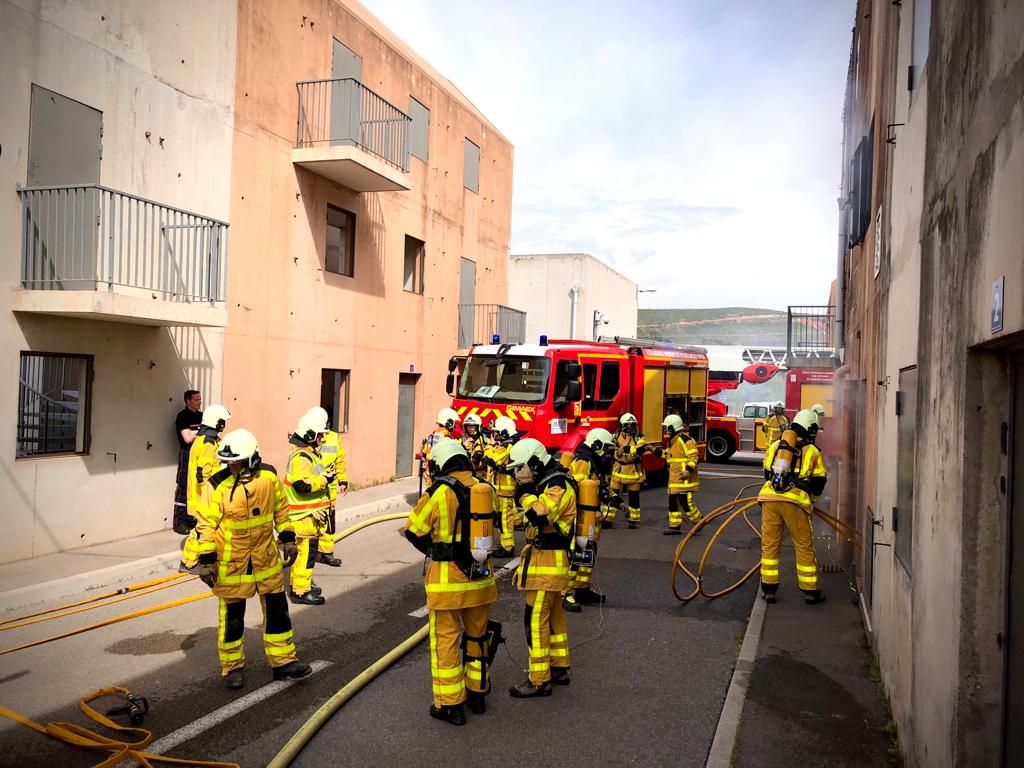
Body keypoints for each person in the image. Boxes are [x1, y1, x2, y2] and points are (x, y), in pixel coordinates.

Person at [194, 428, 312, 689]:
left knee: (277, 611)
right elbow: (205, 525)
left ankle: (284, 662)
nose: (231, 466)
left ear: (251, 460)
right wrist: (206, 560)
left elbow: (281, 508)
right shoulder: (217, 485)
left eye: (235, 462)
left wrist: (289, 537)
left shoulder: (268, 477)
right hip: (231, 562)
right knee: (233, 617)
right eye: (228, 462)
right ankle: (232, 667)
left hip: (265, 557)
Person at [405, 438, 499, 726]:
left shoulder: (439, 492)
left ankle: (450, 705)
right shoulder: (485, 488)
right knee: (477, 638)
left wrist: (437, 550)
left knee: (446, 642)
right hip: (481, 580)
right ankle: (478, 694)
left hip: (447, 584)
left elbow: (413, 530)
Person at [507, 438, 576, 698]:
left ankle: (539, 680)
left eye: (520, 468)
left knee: (534, 620)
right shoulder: (549, 482)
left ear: (534, 463)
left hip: (549, 563)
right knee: (554, 616)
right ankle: (559, 667)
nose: (517, 474)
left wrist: (524, 492)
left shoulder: (557, 484)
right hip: (546, 562)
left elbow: (541, 515)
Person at [758, 409, 828, 605]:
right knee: (803, 546)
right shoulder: (813, 451)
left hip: (769, 499)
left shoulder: (774, 446)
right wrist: (810, 498)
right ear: (810, 428)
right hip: (795, 503)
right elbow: (818, 483)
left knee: (770, 545)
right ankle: (810, 591)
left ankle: (769, 589)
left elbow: (766, 475)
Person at [562, 427, 614, 612]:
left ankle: (582, 589)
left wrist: (609, 498)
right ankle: (565, 593)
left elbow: (597, 486)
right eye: (607, 448)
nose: (609, 452)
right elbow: (574, 487)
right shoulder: (584, 461)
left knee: (588, 553)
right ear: (597, 445)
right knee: (576, 555)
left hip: (590, 516)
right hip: (581, 517)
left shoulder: (595, 462)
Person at [284, 410, 332, 606]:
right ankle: (300, 591)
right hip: (303, 516)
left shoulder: (310, 454)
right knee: (306, 555)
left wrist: (325, 476)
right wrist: (323, 481)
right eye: (319, 435)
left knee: (307, 555)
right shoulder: (301, 457)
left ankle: (302, 584)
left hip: (310, 515)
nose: (322, 438)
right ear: (310, 435)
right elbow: (301, 485)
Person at [179, 404, 232, 573]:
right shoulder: (208, 443)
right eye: (222, 421)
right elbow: (203, 474)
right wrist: (214, 492)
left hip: (203, 495)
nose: (224, 424)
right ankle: (189, 562)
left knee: (201, 529)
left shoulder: (210, 440)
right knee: (201, 530)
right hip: (203, 496)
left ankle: (192, 560)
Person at [308, 407, 348, 568]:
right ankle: (310, 551)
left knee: (328, 521)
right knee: (312, 522)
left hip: (329, 489)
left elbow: (339, 459)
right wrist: (323, 476)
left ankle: (327, 552)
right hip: (312, 489)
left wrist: (342, 480)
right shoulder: (307, 439)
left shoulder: (333, 437)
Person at [484, 415, 519, 558]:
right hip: (501, 490)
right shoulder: (507, 444)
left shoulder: (506, 446)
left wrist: (489, 445)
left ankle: (508, 548)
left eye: (496, 432)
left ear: (504, 432)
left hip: (504, 491)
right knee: (504, 519)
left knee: (504, 521)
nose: (494, 435)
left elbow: (491, 459)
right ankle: (507, 543)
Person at [661, 414, 702, 535]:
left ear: (672, 428)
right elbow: (668, 456)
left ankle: (699, 521)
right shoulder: (673, 441)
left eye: (666, 427)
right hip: (675, 480)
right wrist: (654, 451)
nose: (665, 430)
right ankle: (674, 527)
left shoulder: (686, 440)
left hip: (685, 480)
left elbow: (694, 457)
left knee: (686, 503)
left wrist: (688, 471)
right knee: (673, 503)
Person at [172, 390, 203, 534]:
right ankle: (180, 521)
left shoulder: (202, 416)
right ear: (188, 401)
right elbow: (188, 438)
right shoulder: (182, 416)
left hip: (200, 455)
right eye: (196, 399)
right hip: (186, 455)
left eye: (200, 399)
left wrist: (195, 433)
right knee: (184, 486)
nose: (199, 402)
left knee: (197, 486)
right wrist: (201, 433)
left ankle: (192, 519)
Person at [610, 413, 647, 529]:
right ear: (622, 425)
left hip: (633, 471)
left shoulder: (639, 437)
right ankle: (608, 518)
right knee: (613, 494)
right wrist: (616, 451)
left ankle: (633, 520)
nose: (631, 427)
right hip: (618, 470)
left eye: (633, 425)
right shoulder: (615, 436)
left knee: (634, 498)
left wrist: (625, 449)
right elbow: (610, 448)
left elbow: (640, 450)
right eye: (628, 425)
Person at [421, 408, 461, 486]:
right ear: (449, 423)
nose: (455, 425)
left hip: (429, 473)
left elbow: (425, 453)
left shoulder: (432, 435)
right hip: (440, 475)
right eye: (454, 422)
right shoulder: (446, 437)